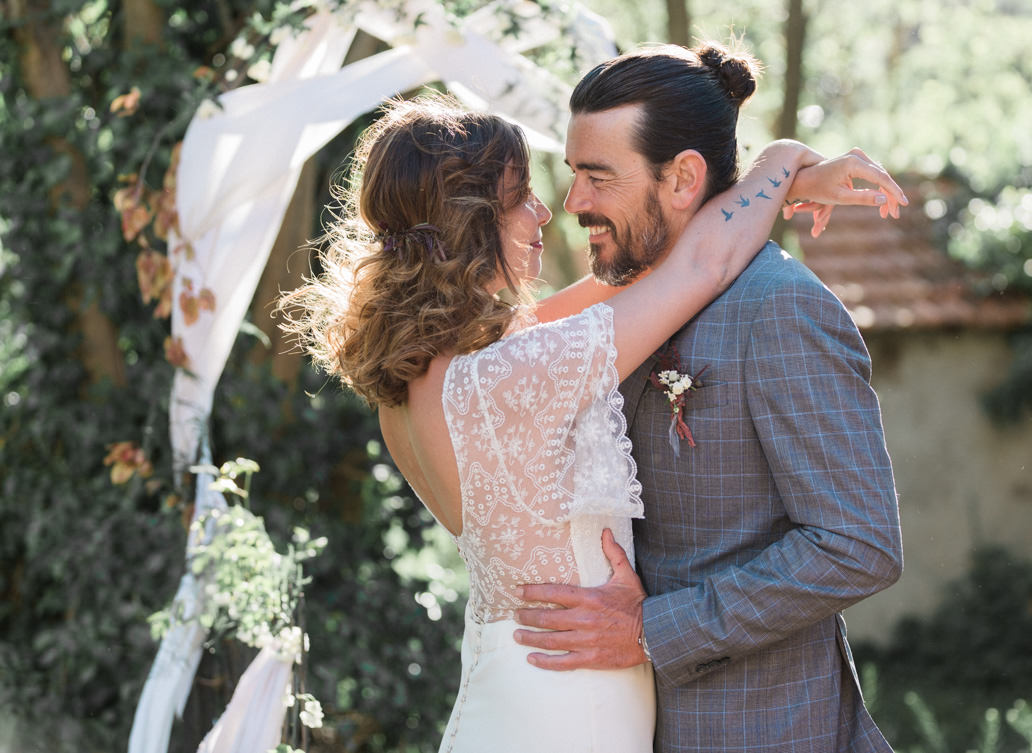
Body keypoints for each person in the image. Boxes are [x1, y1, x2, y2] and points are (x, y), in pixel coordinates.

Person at [280, 84, 903, 751]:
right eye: (520, 197)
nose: (546, 210)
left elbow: (636, 274)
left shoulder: (417, 380)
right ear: (469, 222)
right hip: (570, 702)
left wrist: (778, 180)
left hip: (511, 683)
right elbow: (700, 263)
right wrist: (784, 156)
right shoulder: (515, 374)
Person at [512, 43, 906, 752]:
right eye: (574, 176)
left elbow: (859, 543)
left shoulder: (781, 310)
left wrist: (650, 629)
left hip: (762, 730)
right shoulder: (623, 302)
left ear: (684, 177)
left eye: (598, 178)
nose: (574, 204)